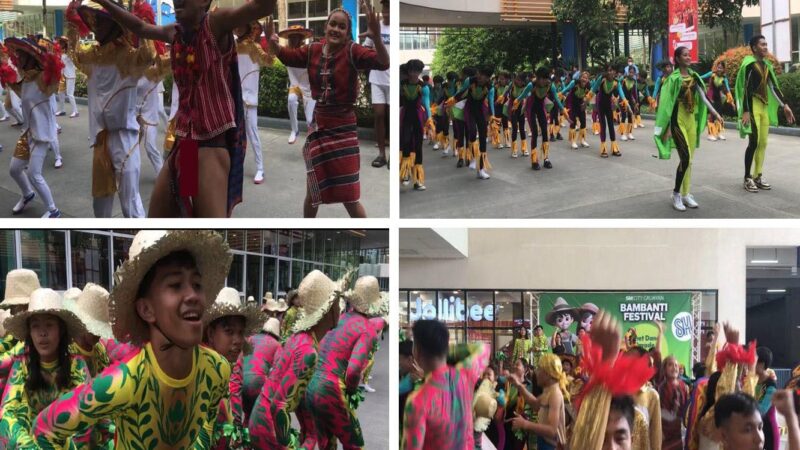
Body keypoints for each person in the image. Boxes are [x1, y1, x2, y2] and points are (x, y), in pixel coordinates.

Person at [33, 230, 233, 448]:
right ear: (146, 309)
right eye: (175, 285)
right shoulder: (122, 382)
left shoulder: (218, 370)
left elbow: (207, 425)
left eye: (197, 284)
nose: (193, 295)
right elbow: (44, 429)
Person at [89, 0, 277, 218]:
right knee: (173, 223)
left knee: (208, 234)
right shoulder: (174, 33)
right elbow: (140, 28)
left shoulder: (216, 23)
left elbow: (263, 7)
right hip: (186, 146)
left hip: (211, 145)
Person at [268, 4, 389, 218]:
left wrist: (377, 38)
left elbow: (383, 62)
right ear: (325, 26)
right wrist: (274, 46)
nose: (336, 29)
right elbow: (289, 57)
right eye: (333, 24)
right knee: (312, 192)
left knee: (350, 197)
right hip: (320, 127)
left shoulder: (352, 50)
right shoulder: (313, 50)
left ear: (347, 33)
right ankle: (307, 234)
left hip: (343, 130)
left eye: (342, 27)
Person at [65, 0, 155, 218]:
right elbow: (75, 55)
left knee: (130, 205)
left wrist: (141, 25)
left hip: (126, 138)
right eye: (94, 23)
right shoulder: (92, 57)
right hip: (101, 139)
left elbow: (149, 56)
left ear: (116, 26)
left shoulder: (129, 57)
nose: (96, 27)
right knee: (100, 206)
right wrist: (72, 24)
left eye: (102, 23)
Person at [248, 269, 347, 449]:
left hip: (261, 421)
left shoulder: (300, 339)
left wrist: (309, 434)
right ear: (329, 308)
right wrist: (291, 446)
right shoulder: (308, 351)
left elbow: (296, 397)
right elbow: (279, 407)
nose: (340, 307)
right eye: (337, 302)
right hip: (269, 429)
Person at [0, 288, 90, 448]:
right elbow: (6, 412)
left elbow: (85, 417)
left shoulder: (77, 365)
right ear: (29, 332)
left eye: (49, 325)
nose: (42, 333)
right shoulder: (22, 364)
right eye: (35, 326)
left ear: (61, 330)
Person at [307, 275, 388, 449]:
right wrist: (351, 391)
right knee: (354, 445)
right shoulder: (367, 329)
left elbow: (319, 347)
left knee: (326, 444)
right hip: (331, 389)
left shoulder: (340, 318)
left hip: (312, 386)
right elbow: (353, 371)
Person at [401, 319, 490, 449]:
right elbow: (483, 348)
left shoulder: (417, 401)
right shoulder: (465, 375)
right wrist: (444, 350)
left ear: (417, 351)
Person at [654, 46, 723, 212]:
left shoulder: (694, 76)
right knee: (685, 158)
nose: (688, 57)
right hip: (678, 122)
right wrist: (667, 127)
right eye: (684, 55)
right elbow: (666, 105)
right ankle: (676, 193)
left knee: (689, 160)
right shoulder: (673, 79)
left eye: (688, 54)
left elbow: (703, 96)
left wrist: (716, 113)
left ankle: (686, 193)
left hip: (691, 121)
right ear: (677, 59)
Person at [5, 37, 64, 218]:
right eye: (18, 55)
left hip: (42, 135)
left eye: (22, 55)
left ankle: (53, 211)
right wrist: (7, 79)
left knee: (33, 173)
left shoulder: (44, 79)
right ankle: (27, 194)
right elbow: (20, 92)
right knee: (14, 169)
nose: (18, 58)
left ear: (32, 58)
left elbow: (55, 79)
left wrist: (52, 59)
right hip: (27, 133)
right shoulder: (27, 80)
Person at [202, 286, 263, 450]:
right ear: (210, 333)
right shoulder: (206, 367)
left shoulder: (225, 366)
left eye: (240, 332)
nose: (237, 340)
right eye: (229, 331)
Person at [737, 34, 796, 193]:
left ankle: (758, 175)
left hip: (764, 107)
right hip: (753, 107)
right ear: (755, 47)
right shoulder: (749, 65)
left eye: (766, 44)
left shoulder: (766, 66)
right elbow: (746, 89)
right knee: (753, 142)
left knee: (763, 143)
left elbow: (773, 87)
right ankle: (747, 177)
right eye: (762, 44)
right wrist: (746, 111)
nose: (765, 47)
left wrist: (785, 105)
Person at [507, 353, 568, 450]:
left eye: (539, 369)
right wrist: (518, 385)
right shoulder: (548, 391)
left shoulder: (555, 394)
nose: (536, 372)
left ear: (548, 373)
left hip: (551, 446)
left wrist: (525, 424)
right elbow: (535, 403)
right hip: (544, 443)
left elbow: (552, 430)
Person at [235, 20, 271, 185]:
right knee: (235, 136)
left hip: (248, 98)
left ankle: (260, 168)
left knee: (252, 133)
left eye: (240, 24)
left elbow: (269, 61)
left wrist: (271, 42)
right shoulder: (231, 46)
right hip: (234, 97)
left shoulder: (253, 47)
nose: (236, 27)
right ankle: (236, 166)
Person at [514, 66, 565, 170]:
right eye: (541, 78)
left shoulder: (550, 85)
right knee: (535, 133)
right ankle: (534, 160)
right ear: (537, 78)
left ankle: (546, 159)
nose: (543, 81)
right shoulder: (531, 85)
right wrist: (515, 104)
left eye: (546, 78)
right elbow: (522, 96)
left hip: (541, 108)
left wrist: (563, 110)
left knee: (545, 133)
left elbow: (556, 99)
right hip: (531, 108)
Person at [364, 0, 390, 169]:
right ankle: (381, 154)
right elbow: (366, 49)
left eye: (389, 6)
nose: (387, 10)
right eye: (385, 6)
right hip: (377, 78)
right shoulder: (375, 26)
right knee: (379, 115)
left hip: (393, 80)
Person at [241, 317, 281, 422]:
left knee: (247, 417)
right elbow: (277, 369)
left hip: (241, 380)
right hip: (258, 382)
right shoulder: (276, 345)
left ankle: (244, 434)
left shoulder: (250, 338)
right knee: (260, 420)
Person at [281, 25, 315, 145]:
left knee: (310, 118)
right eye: (291, 37)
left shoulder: (307, 51)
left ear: (301, 38)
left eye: (296, 37)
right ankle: (294, 130)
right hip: (295, 85)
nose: (294, 40)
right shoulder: (286, 51)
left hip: (308, 87)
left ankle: (311, 133)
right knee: (291, 100)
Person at [400, 59, 431, 190]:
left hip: (418, 117)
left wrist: (429, 120)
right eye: (411, 70)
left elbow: (427, 104)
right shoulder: (402, 84)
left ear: (419, 72)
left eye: (416, 71)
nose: (414, 73)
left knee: (418, 146)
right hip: (405, 116)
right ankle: (405, 173)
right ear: (408, 71)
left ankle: (418, 181)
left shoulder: (424, 86)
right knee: (405, 142)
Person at [591, 64, 625, 158]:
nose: (610, 72)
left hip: (608, 106)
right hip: (600, 104)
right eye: (608, 70)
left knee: (611, 125)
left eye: (612, 70)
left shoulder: (616, 82)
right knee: (603, 125)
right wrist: (586, 102)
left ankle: (614, 148)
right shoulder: (602, 79)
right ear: (606, 72)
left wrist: (626, 103)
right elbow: (593, 90)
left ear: (615, 73)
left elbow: (622, 94)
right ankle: (603, 149)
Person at [657, 355, 690, 450]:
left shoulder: (683, 385)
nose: (674, 367)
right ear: (665, 368)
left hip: (680, 430)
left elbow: (686, 408)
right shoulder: (662, 387)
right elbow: (661, 411)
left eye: (676, 365)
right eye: (670, 365)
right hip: (665, 431)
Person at [700, 61, 734, 141]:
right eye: (718, 67)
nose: (719, 69)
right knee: (712, 115)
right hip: (711, 96)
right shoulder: (711, 74)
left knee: (719, 114)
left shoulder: (724, 78)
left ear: (723, 69)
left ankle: (718, 133)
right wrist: (694, 77)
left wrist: (731, 101)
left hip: (718, 97)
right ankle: (711, 134)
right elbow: (701, 77)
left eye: (721, 68)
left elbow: (727, 89)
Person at [560, 71, 594, 149]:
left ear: (588, 79)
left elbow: (589, 96)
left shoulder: (588, 85)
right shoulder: (574, 83)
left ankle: (582, 140)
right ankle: (573, 141)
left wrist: (585, 103)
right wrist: (559, 95)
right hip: (571, 102)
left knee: (583, 121)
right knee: (573, 121)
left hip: (580, 103)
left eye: (586, 78)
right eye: (583, 77)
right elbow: (566, 89)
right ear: (580, 77)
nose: (584, 79)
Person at [506, 72, 529, 158]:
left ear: (523, 82)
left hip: (521, 109)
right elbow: (506, 91)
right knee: (515, 128)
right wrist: (502, 96)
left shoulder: (525, 87)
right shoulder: (512, 84)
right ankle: (514, 149)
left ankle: (524, 148)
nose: (517, 81)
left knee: (522, 129)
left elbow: (527, 96)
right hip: (513, 109)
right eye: (517, 79)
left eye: (520, 80)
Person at [55, 36, 78, 118]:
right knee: (60, 93)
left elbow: (75, 60)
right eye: (59, 42)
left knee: (70, 94)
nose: (59, 44)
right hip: (62, 75)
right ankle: (62, 110)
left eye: (61, 42)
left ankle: (75, 111)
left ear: (65, 44)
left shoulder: (70, 52)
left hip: (70, 75)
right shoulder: (60, 52)